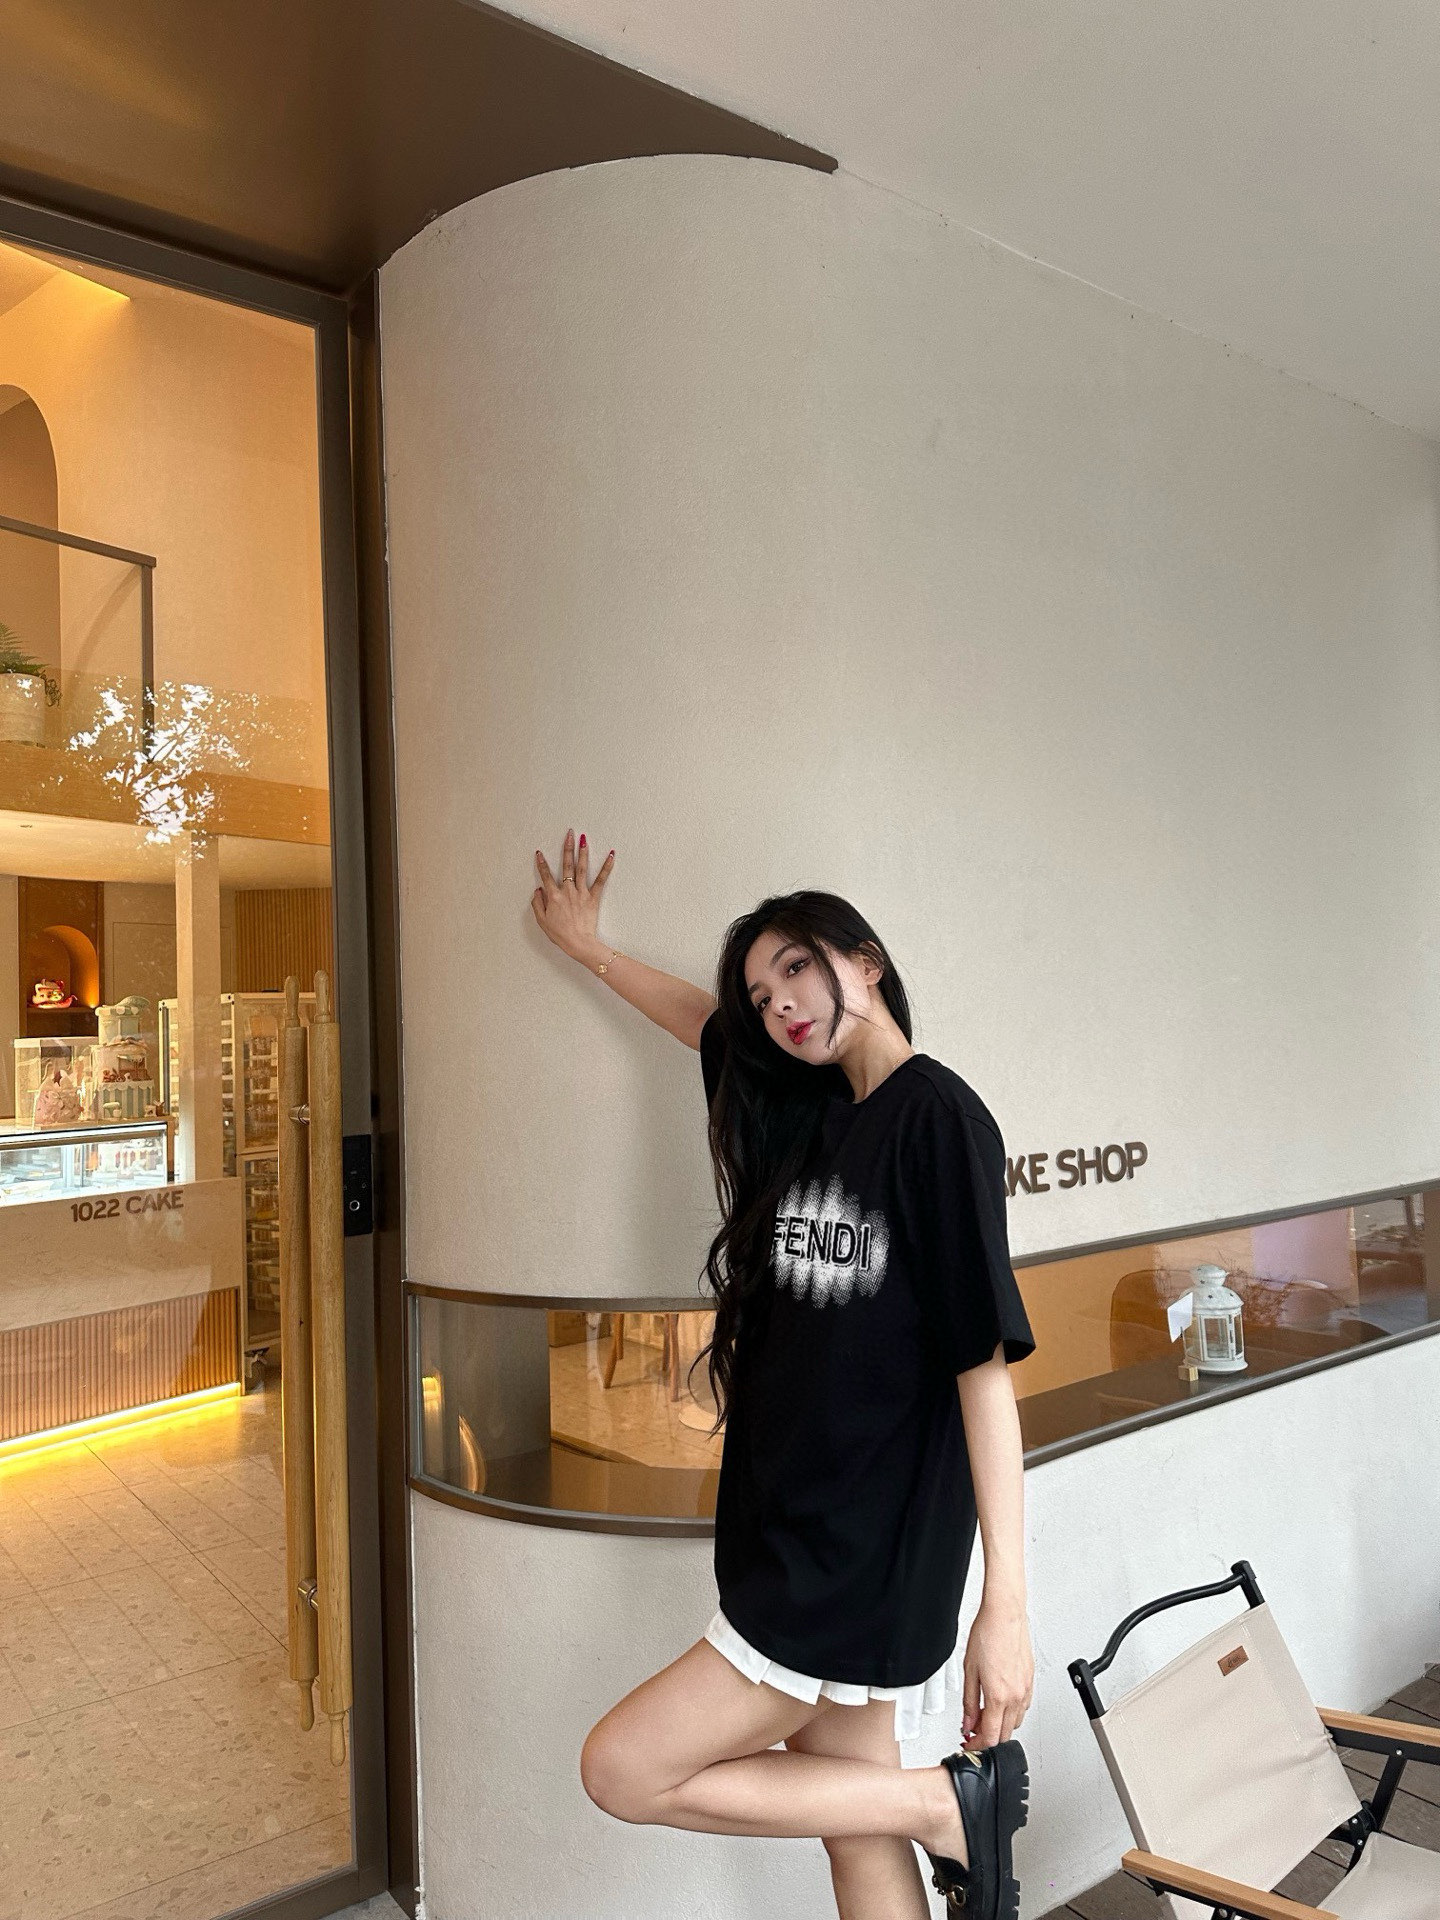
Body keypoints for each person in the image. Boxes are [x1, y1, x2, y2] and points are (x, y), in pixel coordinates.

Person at [531, 828, 1036, 1920]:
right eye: (763, 997)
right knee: (854, 1831)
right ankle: (925, 1807)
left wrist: (1006, 1605)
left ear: (866, 960)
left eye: (797, 968)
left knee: (623, 1768)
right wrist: (590, 949)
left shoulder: (938, 1121)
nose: (781, 1006)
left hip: (860, 1552)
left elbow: (983, 1371)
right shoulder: (802, 1111)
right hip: (791, 1526)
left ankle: (944, 1804)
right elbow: (698, 1021)